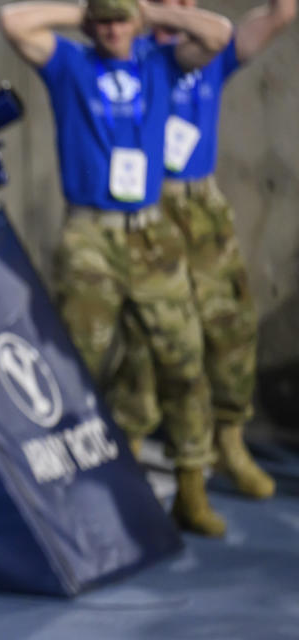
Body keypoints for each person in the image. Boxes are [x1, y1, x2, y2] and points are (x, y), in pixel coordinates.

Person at [0, 0, 233, 536]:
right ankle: (74, 489)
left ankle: (191, 485)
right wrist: (81, 12)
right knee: (76, 359)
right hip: (90, 234)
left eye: (119, 19)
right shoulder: (71, 63)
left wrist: (148, 13)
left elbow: (219, 35)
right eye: (103, 20)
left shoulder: (159, 61)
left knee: (182, 358)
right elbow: (14, 21)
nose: (111, 29)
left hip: (152, 232)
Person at [107, 0, 296, 500]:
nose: (182, 7)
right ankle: (134, 441)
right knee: (149, 335)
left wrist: (173, 14)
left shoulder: (212, 49)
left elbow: (278, 16)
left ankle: (228, 438)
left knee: (231, 323)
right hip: (144, 205)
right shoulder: (131, 51)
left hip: (200, 203)